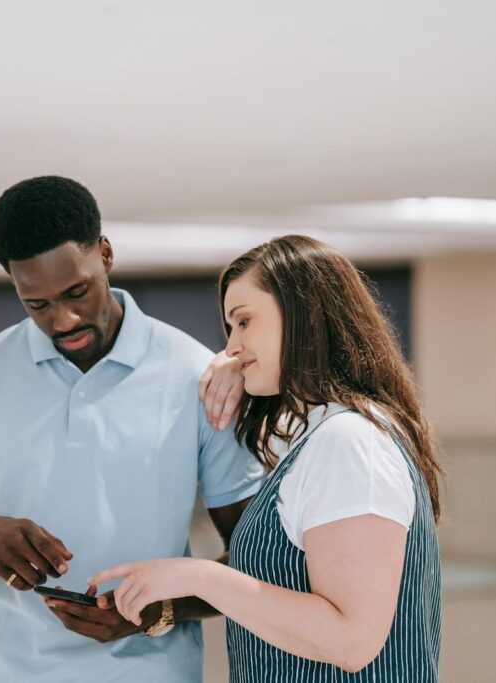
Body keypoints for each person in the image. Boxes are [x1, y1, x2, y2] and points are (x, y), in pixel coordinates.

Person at [0, 176, 265, 682]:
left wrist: (157, 608)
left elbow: (254, 562)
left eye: (77, 291)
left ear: (106, 254)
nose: (64, 319)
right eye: (38, 304)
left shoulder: (194, 375)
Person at [90, 235, 444, 681]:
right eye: (229, 329)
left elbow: (352, 640)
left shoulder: (349, 443)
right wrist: (240, 371)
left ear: (304, 317)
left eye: (243, 322)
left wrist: (197, 576)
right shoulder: (325, 433)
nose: (231, 345)